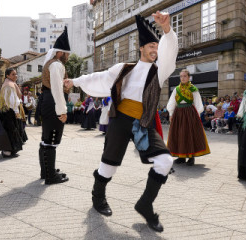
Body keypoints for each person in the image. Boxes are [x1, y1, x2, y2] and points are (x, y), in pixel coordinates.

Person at [65, 12, 178, 232]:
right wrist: (75, 81)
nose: (155, 50)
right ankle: (98, 197)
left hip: (143, 123)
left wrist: (167, 29)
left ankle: (145, 205)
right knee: (109, 165)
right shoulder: (124, 68)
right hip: (120, 119)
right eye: (151, 46)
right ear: (141, 49)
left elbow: (170, 50)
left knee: (165, 161)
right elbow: (98, 78)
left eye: (158, 46)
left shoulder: (160, 70)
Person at [38, 27, 70, 185]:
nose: (68, 57)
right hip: (53, 102)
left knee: (46, 138)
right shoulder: (57, 65)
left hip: (47, 100)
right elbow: (57, 89)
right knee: (51, 139)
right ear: (60, 52)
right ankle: (51, 176)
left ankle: (46, 171)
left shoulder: (51, 63)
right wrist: (62, 111)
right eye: (67, 53)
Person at [166, 69, 209, 166]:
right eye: (181, 76)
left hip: (190, 113)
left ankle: (191, 157)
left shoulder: (193, 89)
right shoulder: (176, 89)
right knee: (179, 134)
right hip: (178, 113)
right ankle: (181, 157)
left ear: (189, 77)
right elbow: (172, 102)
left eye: (185, 76)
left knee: (189, 134)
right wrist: (171, 114)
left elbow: (198, 103)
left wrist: (197, 116)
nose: (183, 78)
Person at [0, 68, 23, 157]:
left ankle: (10, 151)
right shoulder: (9, 85)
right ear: (7, 75)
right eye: (13, 74)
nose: (15, 76)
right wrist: (16, 111)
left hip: (6, 111)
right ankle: (7, 152)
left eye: (16, 74)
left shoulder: (8, 83)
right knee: (10, 131)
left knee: (10, 130)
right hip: (9, 111)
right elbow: (12, 101)